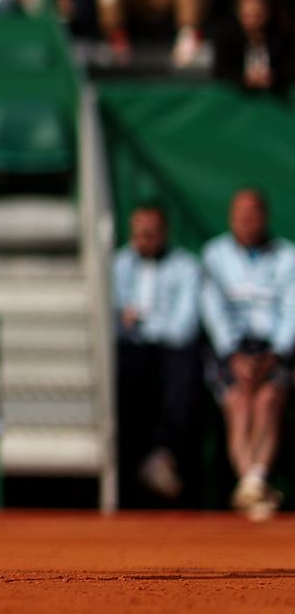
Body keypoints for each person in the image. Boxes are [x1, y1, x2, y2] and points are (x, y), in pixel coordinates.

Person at [200, 187, 295, 520]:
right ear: (231, 219)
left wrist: (277, 353)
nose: (246, 222)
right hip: (232, 351)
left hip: (275, 350)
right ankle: (254, 484)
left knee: (268, 400)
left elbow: (291, 308)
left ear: (264, 218)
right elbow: (213, 309)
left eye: (252, 215)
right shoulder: (215, 255)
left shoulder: (288, 256)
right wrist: (232, 354)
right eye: (240, 216)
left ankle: (250, 486)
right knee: (239, 403)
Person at [111, 206, 204, 503]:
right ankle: (141, 464)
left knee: (181, 367)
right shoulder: (116, 265)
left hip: (170, 353)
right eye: (140, 231)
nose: (146, 238)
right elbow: (111, 320)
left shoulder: (186, 266)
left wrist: (138, 320)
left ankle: (162, 455)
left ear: (165, 232)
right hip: (130, 352)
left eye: (152, 231)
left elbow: (182, 328)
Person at [212, 0, 293, 93]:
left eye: (258, 14)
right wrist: (244, 78)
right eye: (248, 14)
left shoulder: (283, 37)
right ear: (238, 12)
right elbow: (220, 70)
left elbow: (290, 66)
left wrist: (273, 76)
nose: (254, 8)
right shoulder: (226, 37)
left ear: (268, 10)